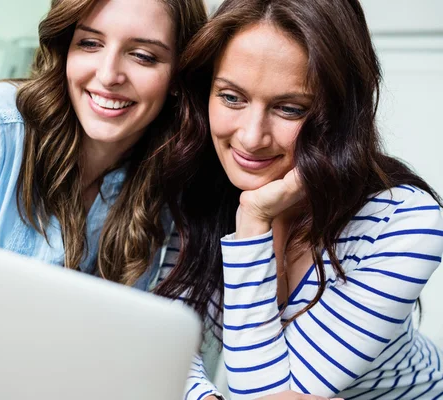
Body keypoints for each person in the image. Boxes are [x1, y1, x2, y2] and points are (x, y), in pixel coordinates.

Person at [156, 0, 443, 399]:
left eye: (290, 109)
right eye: (232, 97)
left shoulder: (405, 222)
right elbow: (165, 353)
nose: (252, 137)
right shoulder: (200, 191)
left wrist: (254, 219)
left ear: (340, 114)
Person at [0, 0, 207, 291]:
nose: (108, 75)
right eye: (89, 43)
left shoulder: (168, 178)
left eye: (143, 56)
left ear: (179, 77)